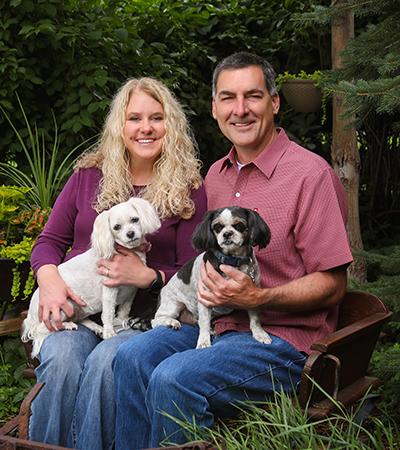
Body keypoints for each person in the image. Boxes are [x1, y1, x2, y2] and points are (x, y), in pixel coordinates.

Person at [112, 52, 354, 450]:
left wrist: (258, 297)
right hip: (216, 328)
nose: (240, 110)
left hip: (282, 342)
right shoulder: (215, 175)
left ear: (274, 103)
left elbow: (333, 284)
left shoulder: (311, 175)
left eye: (253, 96)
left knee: (174, 378)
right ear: (214, 108)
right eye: (228, 98)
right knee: (129, 359)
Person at [28, 77, 207, 450]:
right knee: (61, 360)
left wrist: (150, 276)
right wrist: (50, 282)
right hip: (76, 308)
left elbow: (196, 271)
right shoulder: (87, 176)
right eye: (134, 118)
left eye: (156, 118)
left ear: (170, 125)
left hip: (141, 320)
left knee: (107, 361)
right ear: (119, 125)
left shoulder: (188, 187)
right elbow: (49, 242)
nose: (145, 128)